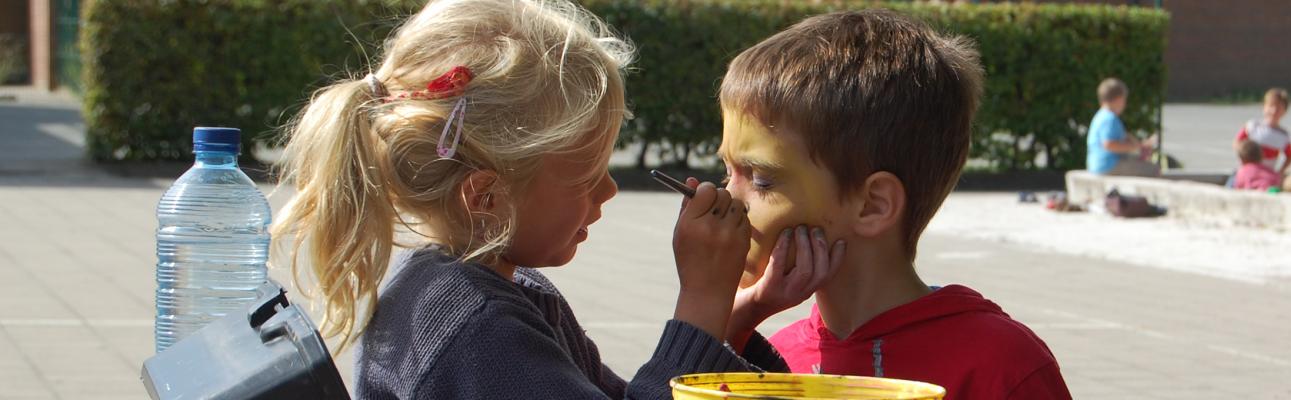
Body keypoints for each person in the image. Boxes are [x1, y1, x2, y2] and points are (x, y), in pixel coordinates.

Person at [269, 1, 827, 398]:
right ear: (486, 195)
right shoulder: (476, 330)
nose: (608, 192)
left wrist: (738, 313)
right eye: (586, 178)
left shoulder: (503, 291)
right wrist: (700, 301)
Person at [713, 10, 1072, 399]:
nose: (727, 200)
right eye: (727, 172)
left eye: (762, 180)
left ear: (873, 205)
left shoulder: (1001, 367)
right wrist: (730, 325)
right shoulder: (773, 357)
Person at [1086, 78, 1159, 176]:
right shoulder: (1109, 118)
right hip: (1107, 166)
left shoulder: (1101, 116)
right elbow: (1109, 144)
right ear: (1119, 99)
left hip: (1099, 164)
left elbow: (1124, 137)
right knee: (1153, 169)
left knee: (1140, 162)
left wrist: (1140, 145)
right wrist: (1134, 147)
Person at [1235, 88, 1291, 174]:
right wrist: (1244, 157)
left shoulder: (1284, 136)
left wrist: (1280, 172)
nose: (1274, 111)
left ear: (1284, 111)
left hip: (1266, 174)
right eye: (1271, 106)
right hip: (1246, 170)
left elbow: (1289, 157)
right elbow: (1237, 142)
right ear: (1264, 107)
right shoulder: (1253, 126)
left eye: (1278, 108)